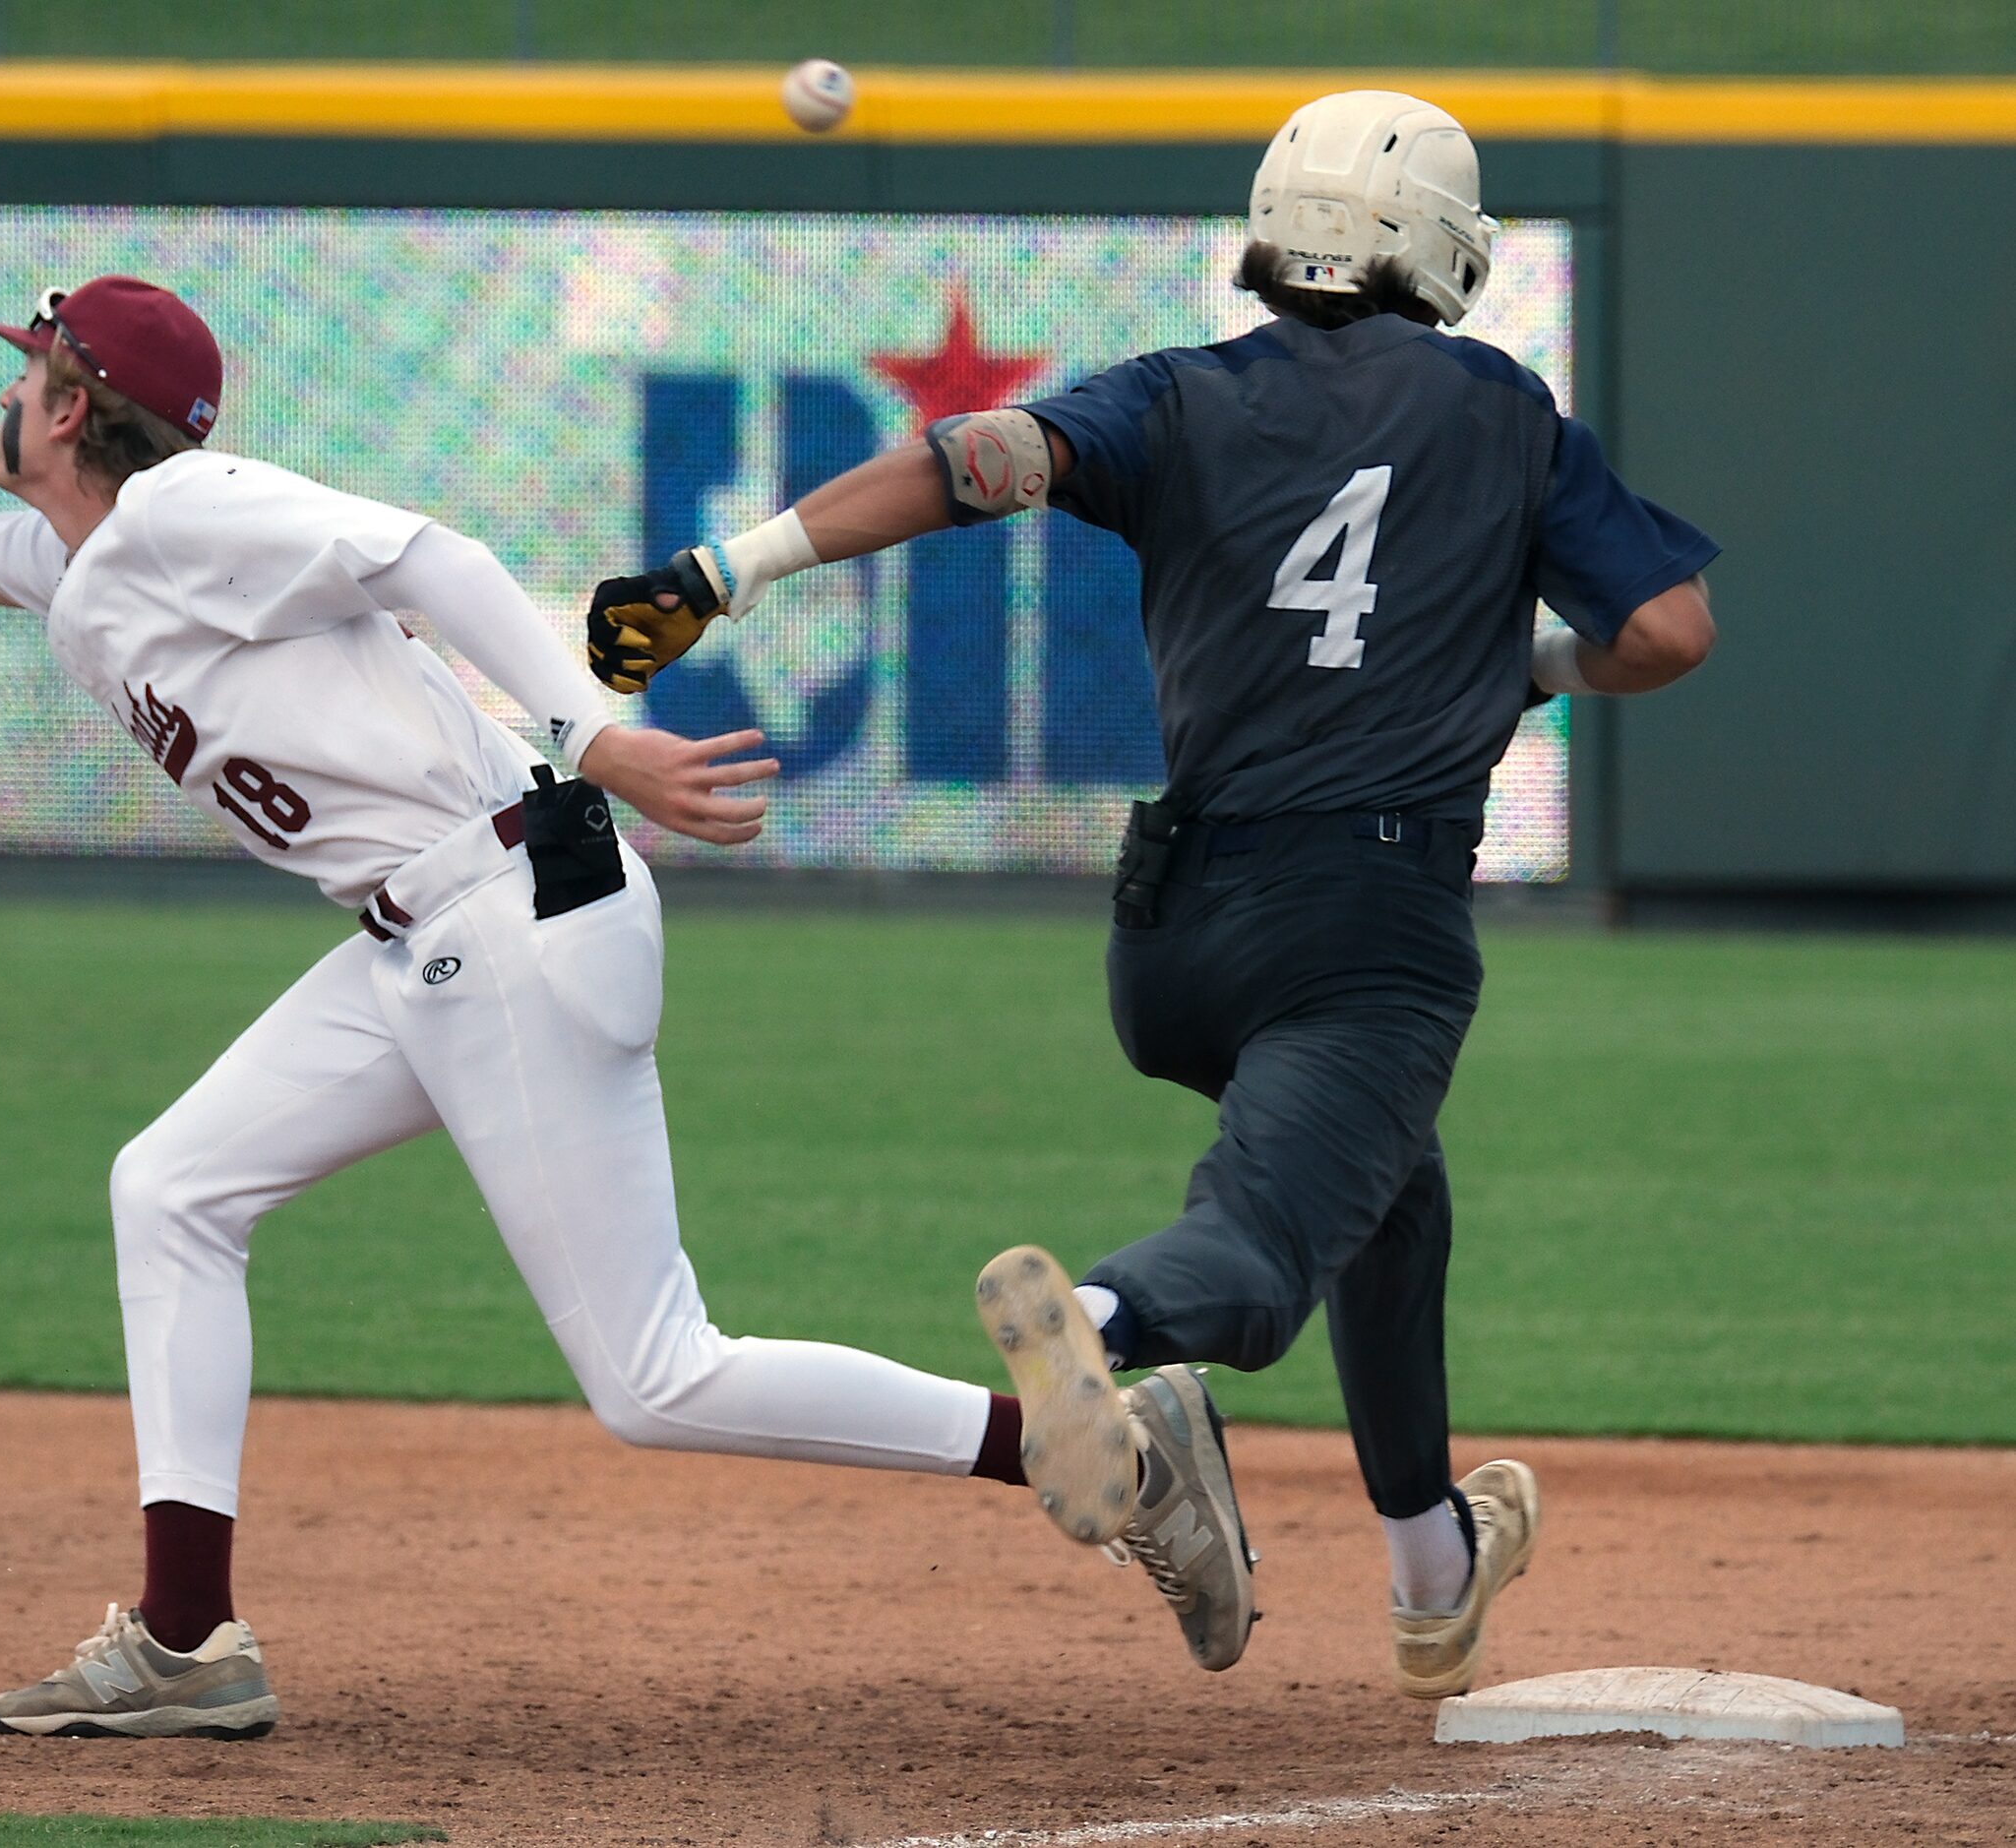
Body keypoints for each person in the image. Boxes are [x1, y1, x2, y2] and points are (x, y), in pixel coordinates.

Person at [0, 269, 1250, 1737]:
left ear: (78, 406)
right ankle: (183, 1636)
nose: (4, 386)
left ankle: (1105, 1453)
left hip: (508, 910)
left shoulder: (182, 512)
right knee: (172, 1186)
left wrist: (591, 729)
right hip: (428, 935)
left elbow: (426, 553)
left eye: (30, 365)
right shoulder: (87, 559)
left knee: (653, 1375)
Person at [584, 90, 1719, 1698]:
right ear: (1436, 244)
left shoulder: (1181, 394)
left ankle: (1428, 1563)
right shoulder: (1502, 409)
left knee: (1389, 1184)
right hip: (1366, 925)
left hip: (1173, 931)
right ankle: (1105, 1339)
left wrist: (727, 569)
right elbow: (1666, 633)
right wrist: (1521, 664)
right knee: (1259, 1248)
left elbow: (977, 460)